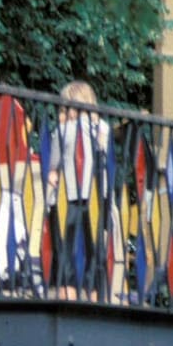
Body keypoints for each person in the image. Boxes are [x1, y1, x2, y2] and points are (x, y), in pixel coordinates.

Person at [46, 80, 110, 300]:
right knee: (91, 246)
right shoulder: (101, 128)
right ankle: (90, 292)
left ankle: (69, 290)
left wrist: (53, 174)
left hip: (75, 192)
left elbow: (54, 163)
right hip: (85, 192)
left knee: (67, 244)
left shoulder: (64, 130)